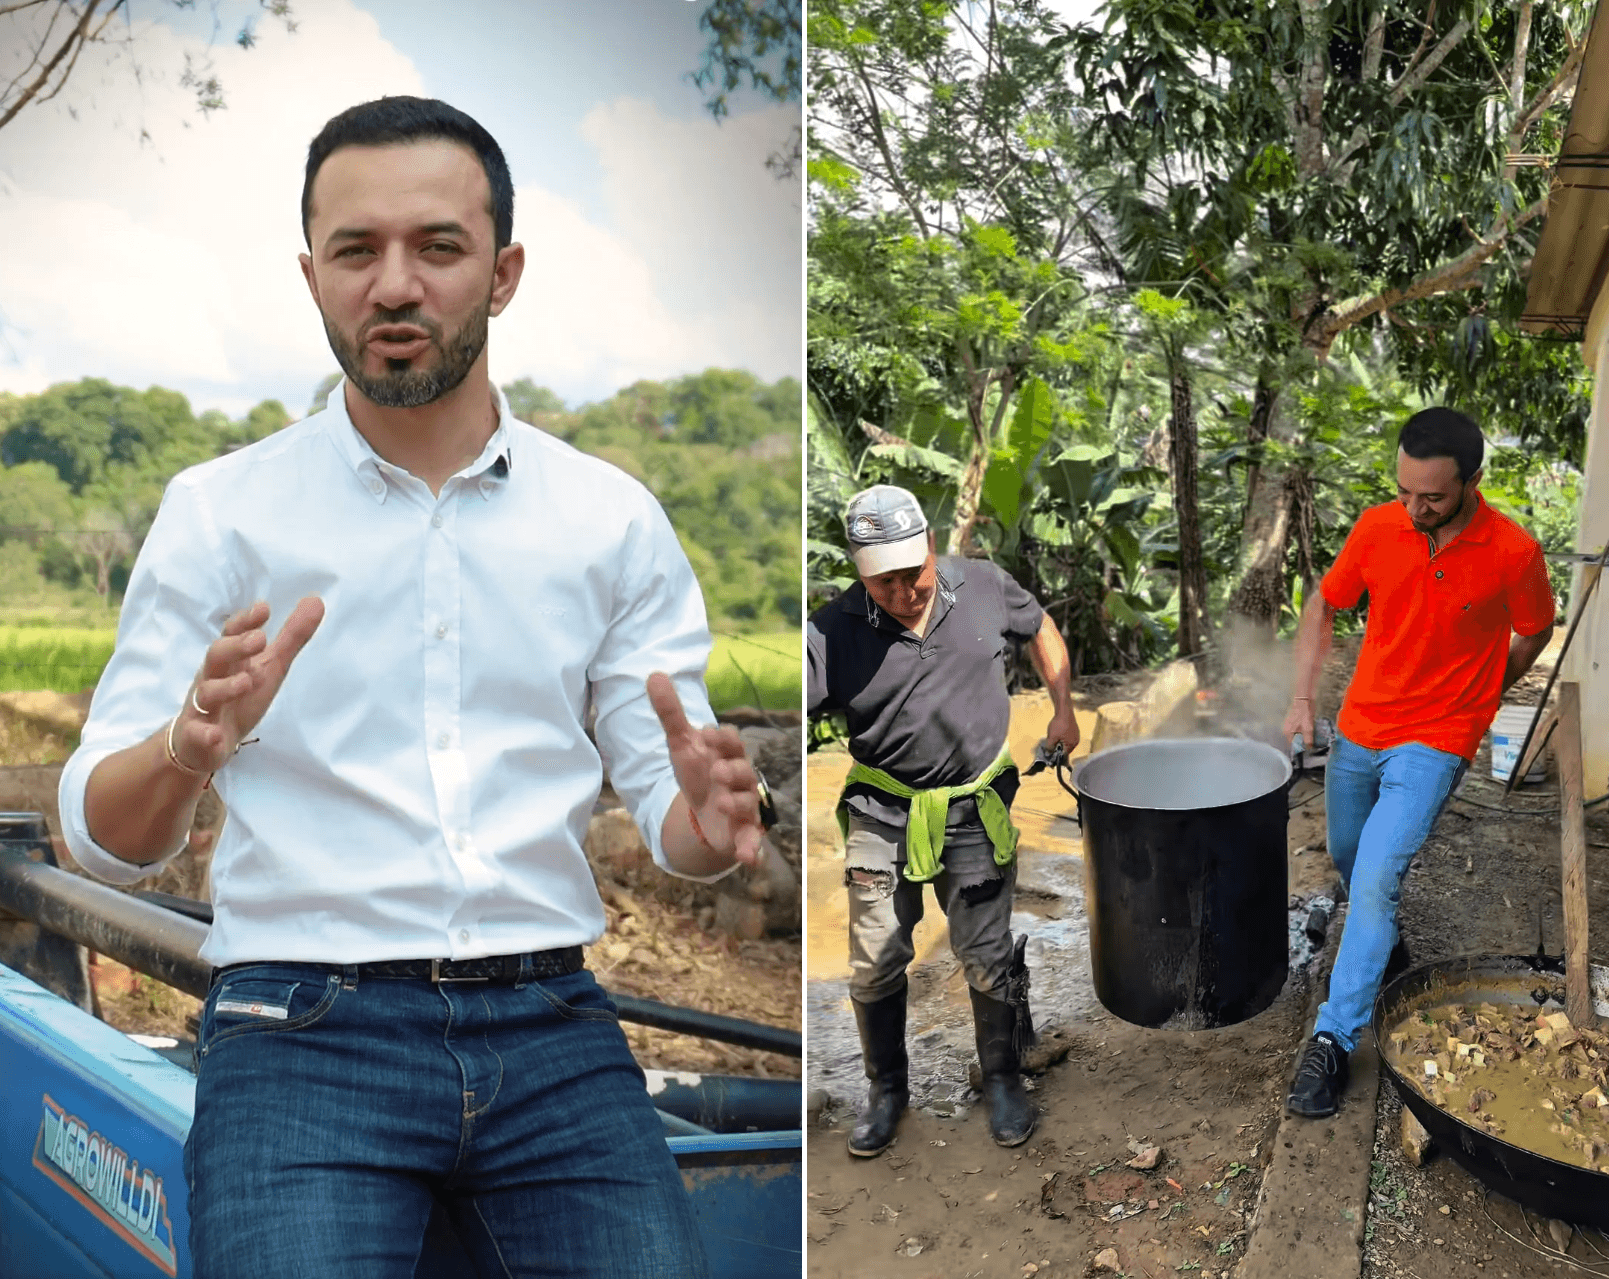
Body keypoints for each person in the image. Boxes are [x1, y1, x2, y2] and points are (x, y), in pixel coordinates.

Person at [57, 96, 768, 1279]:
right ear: (313, 277)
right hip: (298, 1034)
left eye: (437, 246)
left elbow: (678, 826)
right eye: (356, 250)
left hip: (554, 1033)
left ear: (503, 272)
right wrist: (188, 745)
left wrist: (702, 818)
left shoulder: (609, 520)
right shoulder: (221, 512)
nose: (395, 285)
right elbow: (100, 840)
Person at [1282, 407, 1555, 1118]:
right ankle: (1383, 945)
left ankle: (1332, 1039)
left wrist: (1484, 695)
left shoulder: (1514, 552)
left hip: (1437, 739)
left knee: (1375, 879)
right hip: (1360, 728)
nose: (1413, 508)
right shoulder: (1378, 528)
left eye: (1431, 497)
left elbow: (1535, 628)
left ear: (1472, 481)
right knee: (1348, 857)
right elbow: (1324, 603)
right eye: (1403, 490)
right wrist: (1302, 697)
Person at [807, 484, 1079, 1154]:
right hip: (881, 815)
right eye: (884, 582)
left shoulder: (983, 586)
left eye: (913, 573)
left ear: (931, 545)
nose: (904, 592)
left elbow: (1039, 626)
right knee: (874, 960)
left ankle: (1003, 1078)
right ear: (859, 572)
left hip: (972, 810)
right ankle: (886, 1091)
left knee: (985, 954)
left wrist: (1063, 707)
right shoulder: (828, 632)